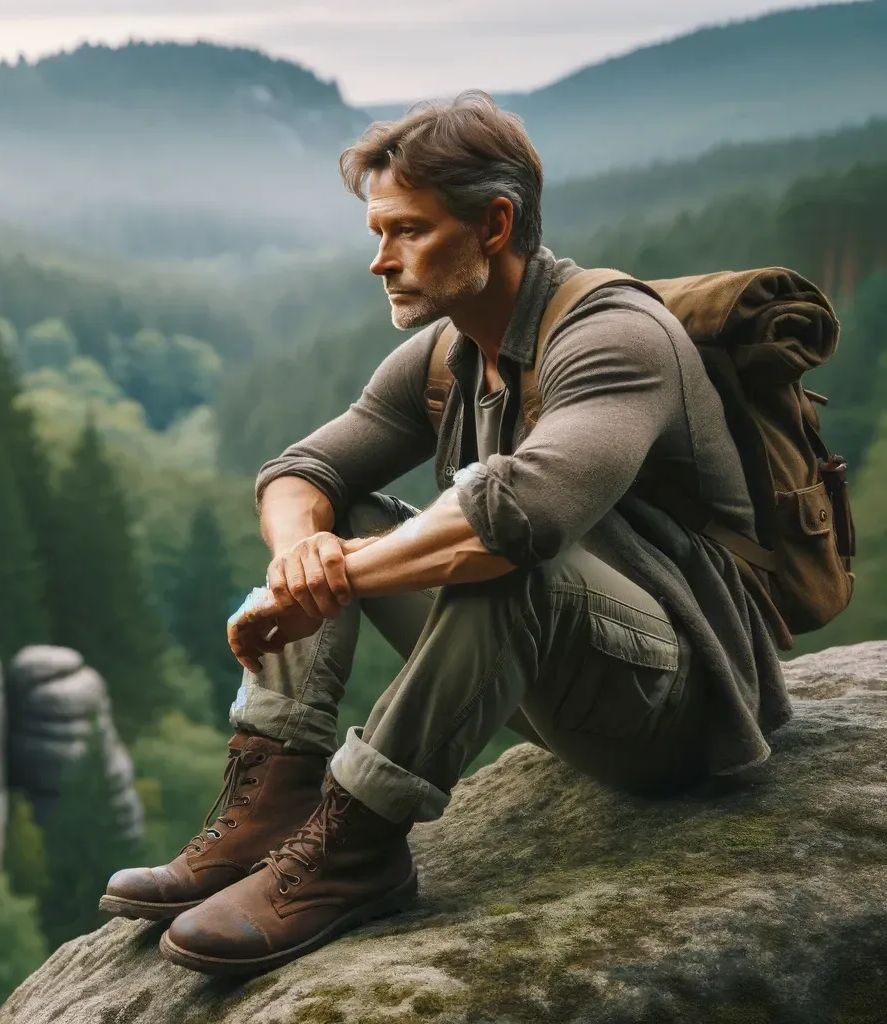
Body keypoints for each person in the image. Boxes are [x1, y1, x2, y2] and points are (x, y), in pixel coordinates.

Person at [100, 91, 791, 976]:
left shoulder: (615, 337)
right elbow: (297, 472)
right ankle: (271, 800)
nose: (380, 260)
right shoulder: (453, 352)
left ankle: (357, 849)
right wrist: (300, 561)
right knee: (337, 519)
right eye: (375, 232)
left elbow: (523, 519)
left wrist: (335, 580)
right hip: (567, 680)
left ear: (495, 224)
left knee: (503, 557)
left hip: (683, 707)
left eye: (408, 232)